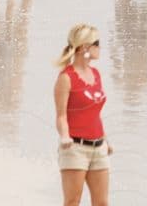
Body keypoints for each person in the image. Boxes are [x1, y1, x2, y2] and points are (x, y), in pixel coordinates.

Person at [53, 24, 111, 205]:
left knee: (102, 202)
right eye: (97, 43)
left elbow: (95, 114)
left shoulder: (96, 74)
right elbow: (61, 116)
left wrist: (106, 140)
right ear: (84, 47)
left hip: (98, 147)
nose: (100, 47)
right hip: (75, 148)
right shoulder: (66, 77)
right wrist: (64, 136)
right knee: (72, 201)